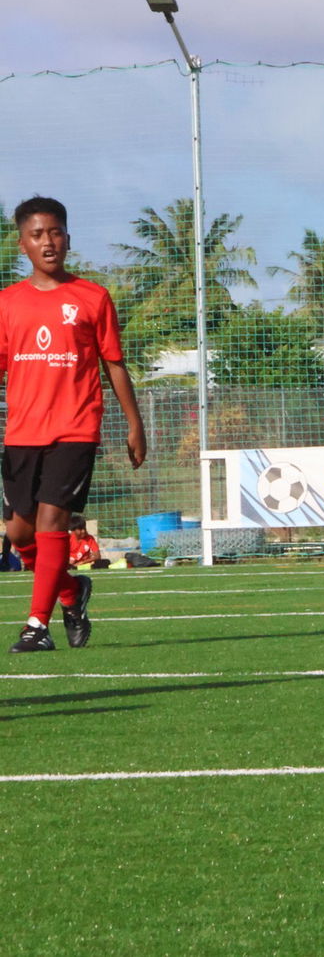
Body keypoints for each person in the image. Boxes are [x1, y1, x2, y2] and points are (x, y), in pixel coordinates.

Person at [3, 197, 147, 652]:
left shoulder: (92, 297)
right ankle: (71, 591)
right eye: (38, 234)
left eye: (56, 232)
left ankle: (36, 626)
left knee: (52, 523)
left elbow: (114, 364)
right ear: (23, 244)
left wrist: (134, 424)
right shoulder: (7, 303)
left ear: (68, 237)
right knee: (18, 534)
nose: (49, 242)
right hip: (23, 432)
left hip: (76, 428)